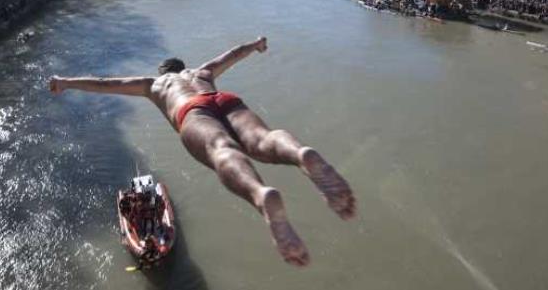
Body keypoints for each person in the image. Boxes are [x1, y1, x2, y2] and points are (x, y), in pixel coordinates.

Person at [50, 37, 355, 267]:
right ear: (184, 68)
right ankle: (301, 154)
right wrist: (256, 45)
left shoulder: (154, 84)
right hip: (221, 97)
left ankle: (261, 196)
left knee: (221, 150)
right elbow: (233, 53)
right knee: (263, 139)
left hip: (190, 110)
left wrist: (66, 83)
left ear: (163, 72)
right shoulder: (202, 71)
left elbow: (105, 84)